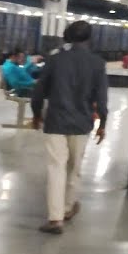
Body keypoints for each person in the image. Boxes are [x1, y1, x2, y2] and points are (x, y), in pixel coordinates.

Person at [30, 21, 108, 235]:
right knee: (74, 168)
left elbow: (39, 91)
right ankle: (67, 207)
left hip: (56, 120)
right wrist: (103, 124)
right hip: (82, 123)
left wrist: (36, 114)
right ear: (89, 38)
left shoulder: (55, 59)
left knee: (56, 168)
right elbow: (101, 99)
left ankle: (55, 219)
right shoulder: (97, 63)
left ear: (67, 36)